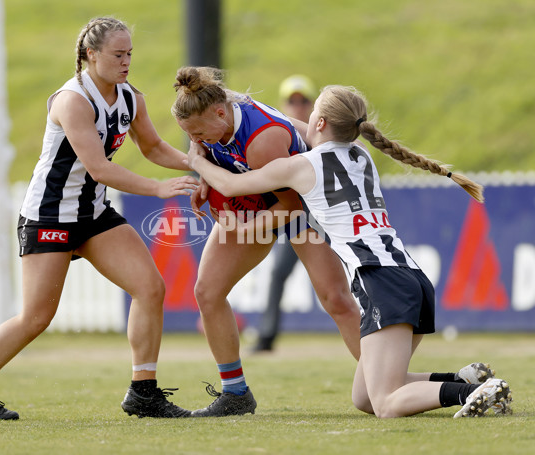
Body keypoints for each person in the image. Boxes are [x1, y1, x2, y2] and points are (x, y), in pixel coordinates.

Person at [186, 84, 513, 418]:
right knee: (365, 397)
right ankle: (461, 380)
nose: (307, 117)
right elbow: (286, 122)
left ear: (321, 122)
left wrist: (196, 160)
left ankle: (475, 392)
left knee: (385, 403)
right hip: (410, 278)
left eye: (313, 113)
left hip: (381, 282)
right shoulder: (361, 154)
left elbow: (230, 184)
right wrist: (225, 95)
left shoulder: (300, 167)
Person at [0, 17, 199, 420]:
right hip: (49, 216)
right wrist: (158, 188)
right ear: (91, 55)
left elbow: (153, 146)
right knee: (36, 318)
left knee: (150, 287)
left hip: (93, 214)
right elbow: (100, 168)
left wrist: (196, 166)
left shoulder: (130, 97)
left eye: (130, 55)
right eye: (118, 55)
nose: (126, 63)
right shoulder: (73, 101)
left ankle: (143, 392)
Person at [172, 66, 363, 418]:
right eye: (190, 135)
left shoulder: (262, 140)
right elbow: (207, 154)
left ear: (220, 112)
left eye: (199, 132)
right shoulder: (210, 117)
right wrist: (205, 181)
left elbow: (289, 206)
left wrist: (244, 228)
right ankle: (235, 393)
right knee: (207, 291)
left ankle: (386, 379)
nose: (196, 140)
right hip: (260, 201)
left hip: (302, 204)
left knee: (335, 299)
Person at [254, 74, 317, 353]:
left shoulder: (319, 135)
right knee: (278, 273)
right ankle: (267, 336)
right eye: (292, 101)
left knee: (338, 285)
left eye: (302, 100)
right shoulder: (275, 134)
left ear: (312, 104)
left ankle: (370, 332)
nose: (298, 106)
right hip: (296, 217)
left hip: (320, 216)